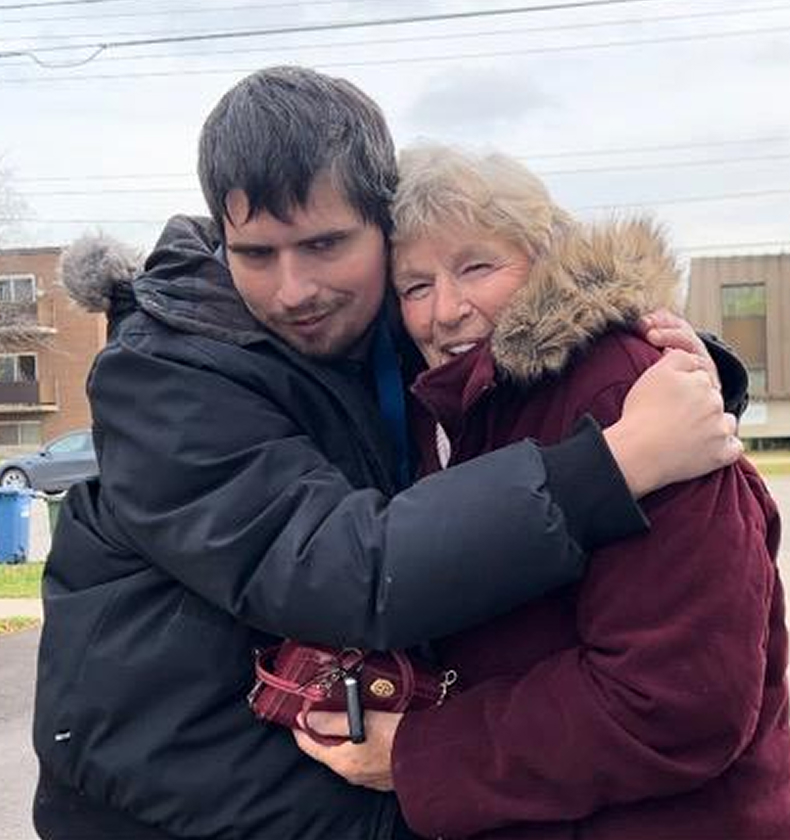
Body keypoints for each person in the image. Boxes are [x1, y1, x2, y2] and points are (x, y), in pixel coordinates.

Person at [33, 68, 746, 840]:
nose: (294, 289)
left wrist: (674, 366)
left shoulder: (403, 322)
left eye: (325, 244)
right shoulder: (163, 376)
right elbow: (344, 566)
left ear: (384, 224)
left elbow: (530, 327)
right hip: (174, 786)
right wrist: (612, 463)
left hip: (325, 770)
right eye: (257, 253)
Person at [293, 145, 790, 839]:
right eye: (415, 287)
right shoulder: (443, 409)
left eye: (477, 266)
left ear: (546, 257)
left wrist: (419, 755)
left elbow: (679, 702)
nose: (445, 310)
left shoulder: (630, 390)